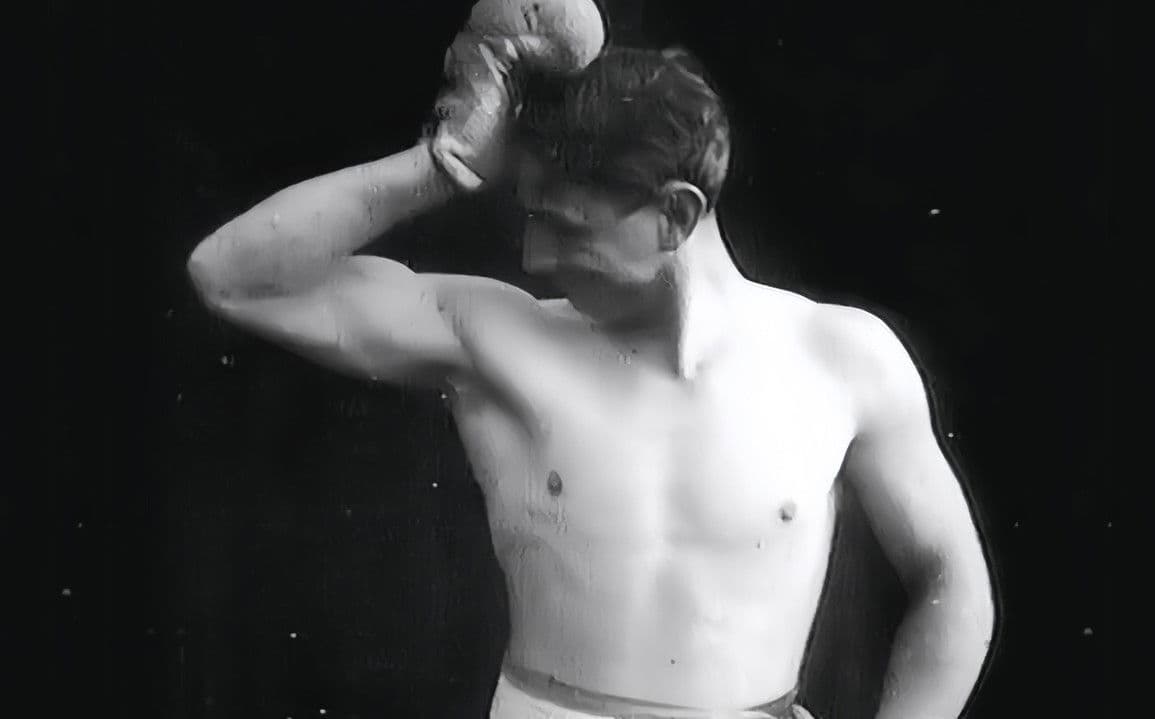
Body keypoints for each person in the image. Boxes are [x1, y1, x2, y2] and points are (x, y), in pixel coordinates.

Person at [186, 27, 995, 719]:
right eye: (531, 217)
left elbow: (951, 578)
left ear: (675, 214)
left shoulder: (844, 360)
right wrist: (441, 164)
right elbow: (231, 276)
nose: (535, 256)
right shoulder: (494, 336)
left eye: (567, 227)